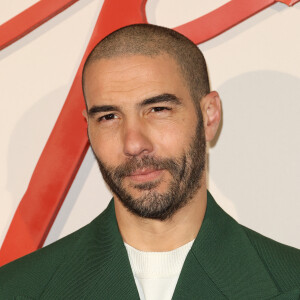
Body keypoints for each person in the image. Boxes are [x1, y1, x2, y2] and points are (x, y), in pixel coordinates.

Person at [0, 24, 299, 300]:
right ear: (88, 128)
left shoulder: (289, 281)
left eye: (158, 109)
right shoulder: (18, 289)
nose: (133, 143)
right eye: (108, 117)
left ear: (209, 115)